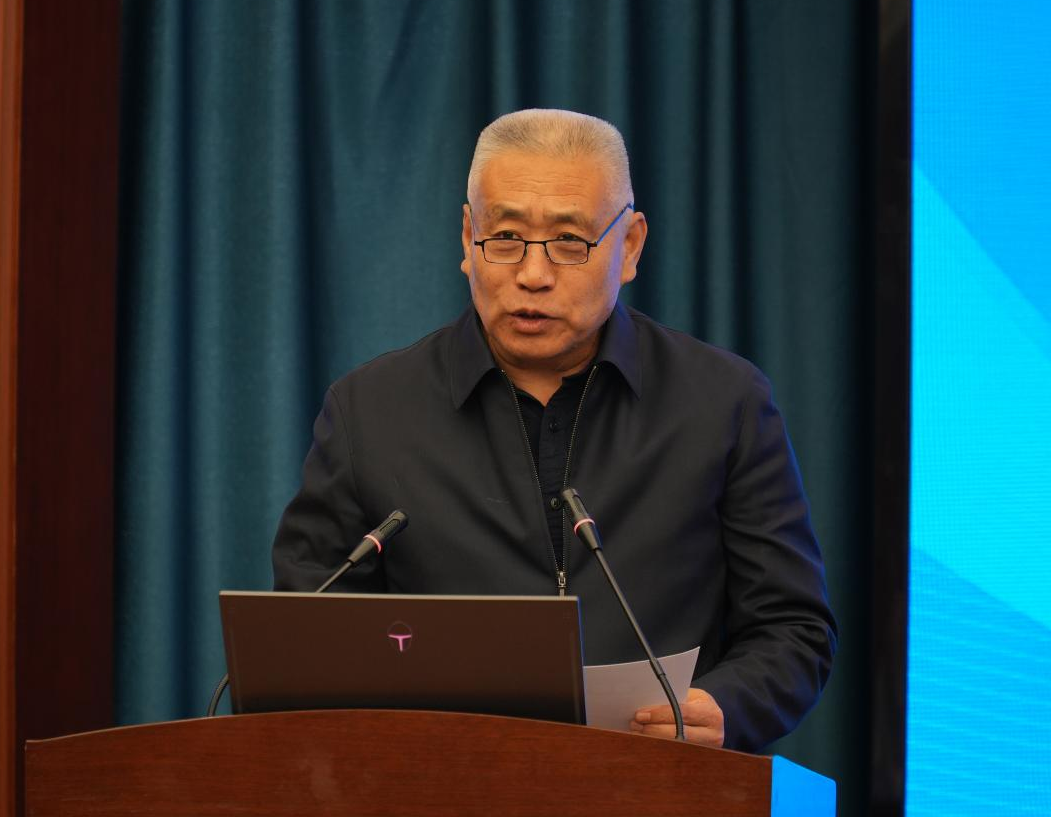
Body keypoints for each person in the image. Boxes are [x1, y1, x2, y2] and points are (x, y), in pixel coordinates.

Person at [272, 108, 836, 751]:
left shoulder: (722, 403)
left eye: (570, 242)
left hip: (653, 777)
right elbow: (307, 634)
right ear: (468, 238)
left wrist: (724, 705)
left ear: (630, 247)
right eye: (505, 237)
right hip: (437, 777)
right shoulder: (370, 411)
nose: (533, 274)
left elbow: (793, 628)